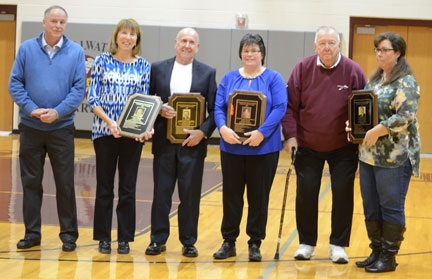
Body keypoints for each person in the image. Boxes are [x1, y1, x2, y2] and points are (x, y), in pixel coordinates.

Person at [281, 26, 367, 263]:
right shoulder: (302, 68)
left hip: (343, 146)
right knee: (306, 194)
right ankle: (306, 243)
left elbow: (364, 106)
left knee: (342, 194)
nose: (327, 47)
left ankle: (338, 245)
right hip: (308, 144)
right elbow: (290, 107)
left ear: (340, 45)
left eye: (332, 43)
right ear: (315, 46)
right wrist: (290, 136)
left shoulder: (353, 70)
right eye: (323, 43)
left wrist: (359, 134)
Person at [8, 5, 86, 252]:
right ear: (44, 23)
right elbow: (15, 84)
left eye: (62, 22)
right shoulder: (27, 49)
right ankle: (32, 233)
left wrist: (57, 112)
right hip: (30, 127)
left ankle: (69, 235)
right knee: (31, 182)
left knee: (65, 183)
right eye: (53, 21)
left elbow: (78, 90)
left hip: (61, 128)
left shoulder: (75, 52)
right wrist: (32, 109)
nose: (58, 26)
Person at [349, 32, 420, 273]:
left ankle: (389, 256)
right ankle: (376, 251)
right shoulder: (376, 80)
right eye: (377, 49)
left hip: (395, 157)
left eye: (384, 50)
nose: (379, 54)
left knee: (390, 206)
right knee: (371, 206)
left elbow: (405, 116)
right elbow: (364, 110)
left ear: (398, 53)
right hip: (368, 155)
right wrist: (354, 127)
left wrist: (379, 129)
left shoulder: (406, 82)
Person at [213, 33, 287, 262]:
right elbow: (218, 106)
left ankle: (255, 243)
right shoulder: (229, 77)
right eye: (246, 50)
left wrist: (261, 133)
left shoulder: (273, 78)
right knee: (231, 197)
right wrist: (223, 128)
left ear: (262, 53)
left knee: (259, 197)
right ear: (240, 53)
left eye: (254, 50)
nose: (250, 54)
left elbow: (280, 107)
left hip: (263, 149)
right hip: (232, 148)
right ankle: (229, 241)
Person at [144, 27, 217, 257]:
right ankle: (158, 239)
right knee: (162, 194)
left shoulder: (207, 73)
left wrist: (202, 132)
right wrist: (159, 109)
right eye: (183, 40)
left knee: (190, 195)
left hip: (193, 145)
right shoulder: (157, 69)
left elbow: (215, 111)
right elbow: (147, 101)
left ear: (198, 46)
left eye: (192, 42)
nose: (187, 45)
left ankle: (188, 241)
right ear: (175, 43)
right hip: (164, 144)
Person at [87, 18, 153, 255]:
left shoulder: (144, 65)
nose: (128, 37)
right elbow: (92, 98)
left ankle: (125, 238)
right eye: (124, 33)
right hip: (105, 132)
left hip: (132, 135)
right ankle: (103, 237)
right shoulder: (102, 61)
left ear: (137, 39)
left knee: (128, 187)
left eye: (132, 34)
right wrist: (110, 122)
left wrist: (144, 126)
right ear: (116, 36)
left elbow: (144, 101)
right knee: (105, 186)